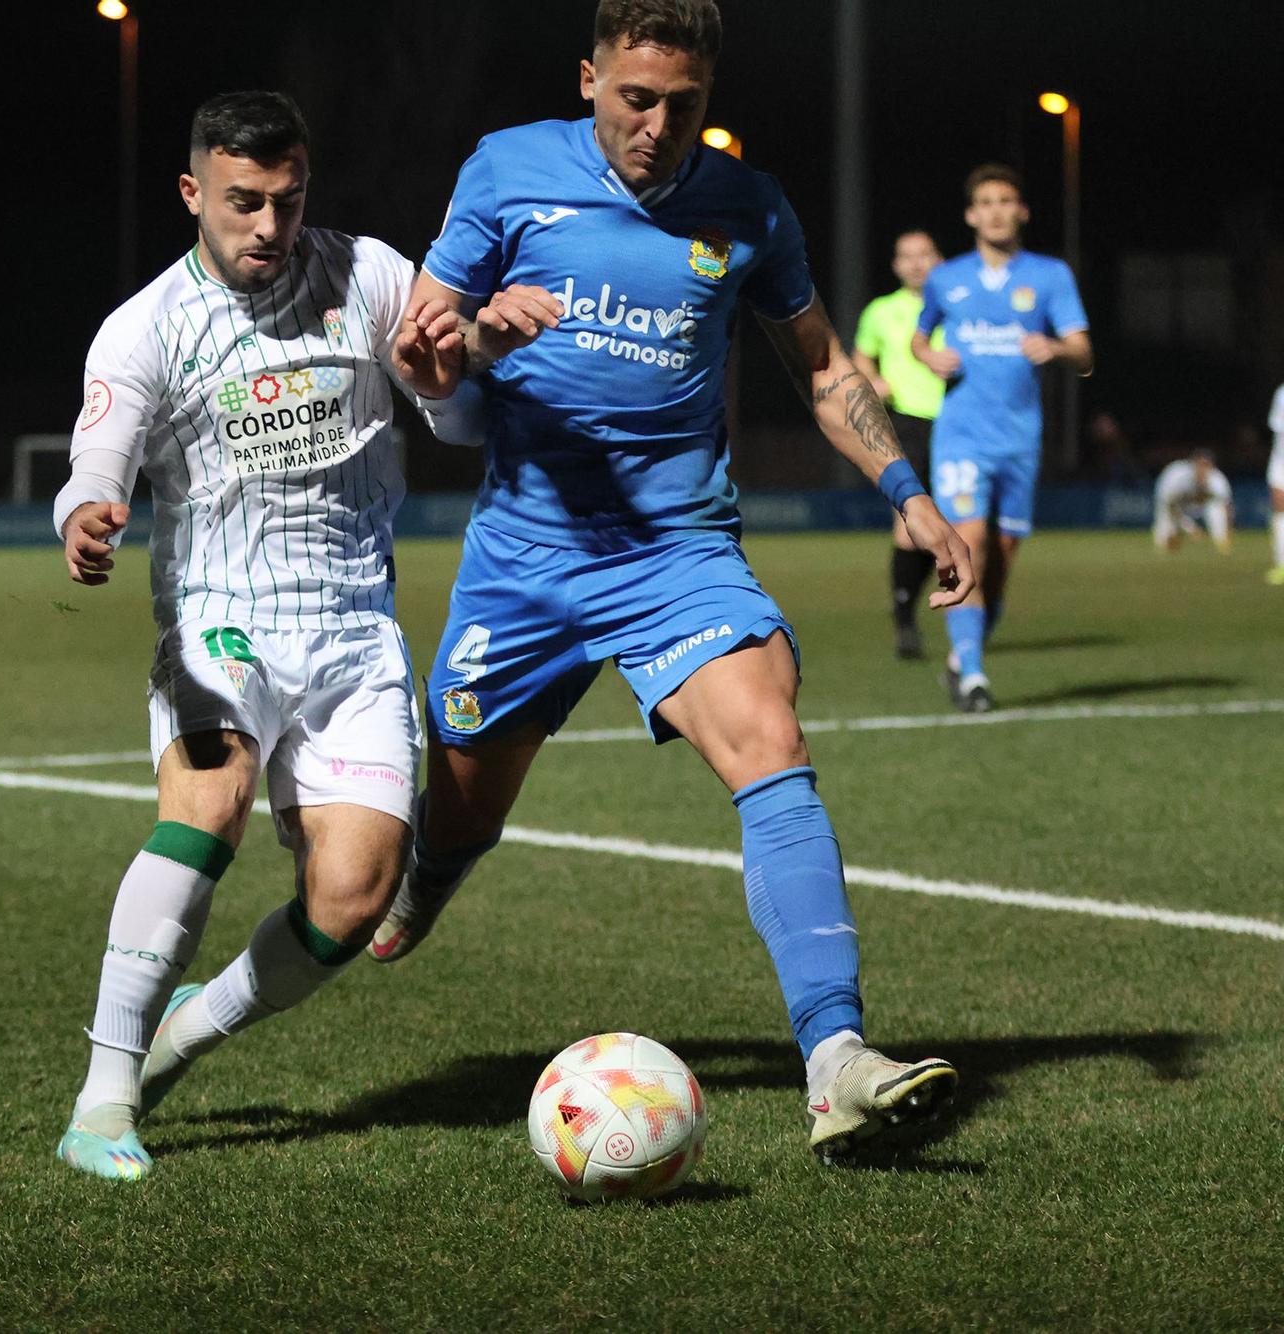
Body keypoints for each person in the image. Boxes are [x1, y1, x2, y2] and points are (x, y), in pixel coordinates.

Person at [368, 0, 976, 1165]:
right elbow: (423, 338)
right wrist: (459, 341)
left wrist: (904, 490)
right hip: (526, 558)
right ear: (588, 77)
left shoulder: (744, 207)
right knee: (457, 810)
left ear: (708, 99)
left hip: (676, 553)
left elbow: (822, 367)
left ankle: (837, 1060)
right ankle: (433, 875)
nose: (653, 126)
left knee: (769, 738)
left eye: (680, 106)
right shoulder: (506, 169)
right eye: (632, 98)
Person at [50, 91, 474, 1180]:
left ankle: (188, 1030)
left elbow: (460, 412)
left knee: (353, 898)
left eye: (286, 201)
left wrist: (443, 386)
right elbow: (94, 461)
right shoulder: (145, 324)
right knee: (211, 798)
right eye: (243, 202)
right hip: (217, 625)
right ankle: (101, 1099)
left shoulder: (372, 275)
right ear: (194, 193)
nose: (268, 227)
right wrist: (86, 514)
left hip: (352, 633)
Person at [912, 165, 1093, 713]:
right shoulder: (947, 278)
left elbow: (1085, 353)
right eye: (984, 202)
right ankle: (972, 676)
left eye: (1005, 200)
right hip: (961, 435)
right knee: (970, 544)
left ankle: (963, 654)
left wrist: (1058, 350)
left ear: (1022, 211)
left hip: (1019, 437)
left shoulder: (1050, 275)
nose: (994, 210)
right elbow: (920, 339)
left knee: (1004, 556)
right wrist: (930, 356)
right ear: (971, 215)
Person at [852, 230, 946, 659]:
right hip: (906, 422)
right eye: (906, 256)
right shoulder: (881, 311)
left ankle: (926, 605)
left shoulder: (957, 303)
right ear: (895, 265)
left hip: (961, 421)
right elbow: (860, 356)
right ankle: (905, 619)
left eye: (923, 255)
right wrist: (872, 380)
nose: (915, 263)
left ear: (939, 259)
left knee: (955, 524)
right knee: (911, 523)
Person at [1151, 450, 1233, 554]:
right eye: (1200, 465)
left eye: (1207, 465)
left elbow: (1226, 506)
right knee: (1164, 543)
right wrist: (1190, 529)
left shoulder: (1217, 479)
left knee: (1216, 507)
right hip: (1172, 503)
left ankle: (1221, 542)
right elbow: (1171, 507)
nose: (1203, 469)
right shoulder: (1177, 476)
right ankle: (1169, 535)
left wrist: (1228, 530)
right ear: (1193, 464)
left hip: (1199, 502)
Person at [1267, 383, 1284, 584]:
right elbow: (1277, 424)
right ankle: (1281, 564)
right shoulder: (1281, 392)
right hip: (1281, 460)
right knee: (1281, 508)